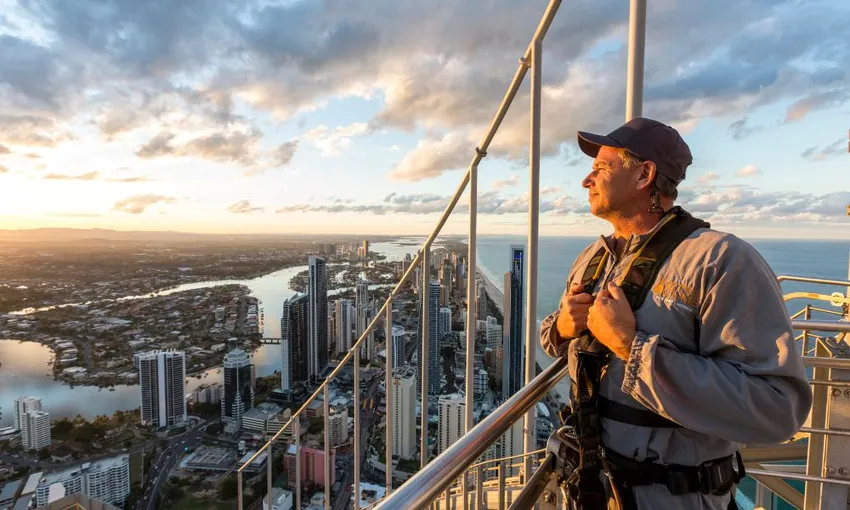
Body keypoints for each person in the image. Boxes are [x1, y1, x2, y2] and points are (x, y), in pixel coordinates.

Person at [539, 117, 812, 510]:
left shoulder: (721, 261)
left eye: (601, 167)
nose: (587, 180)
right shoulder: (594, 257)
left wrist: (630, 346)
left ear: (644, 175)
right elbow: (554, 340)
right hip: (590, 488)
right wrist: (563, 328)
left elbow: (777, 409)